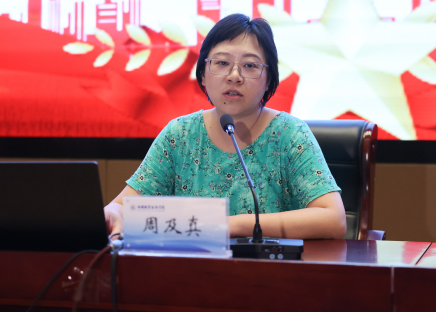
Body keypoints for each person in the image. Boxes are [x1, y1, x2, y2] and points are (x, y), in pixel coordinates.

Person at [104, 14, 346, 239]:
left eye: (250, 66)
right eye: (221, 63)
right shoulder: (179, 135)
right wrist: (111, 215)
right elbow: (123, 207)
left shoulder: (290, 134)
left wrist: (232, 225)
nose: (234, 76)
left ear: (269, 79)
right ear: (203, 74)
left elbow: (333, 219)